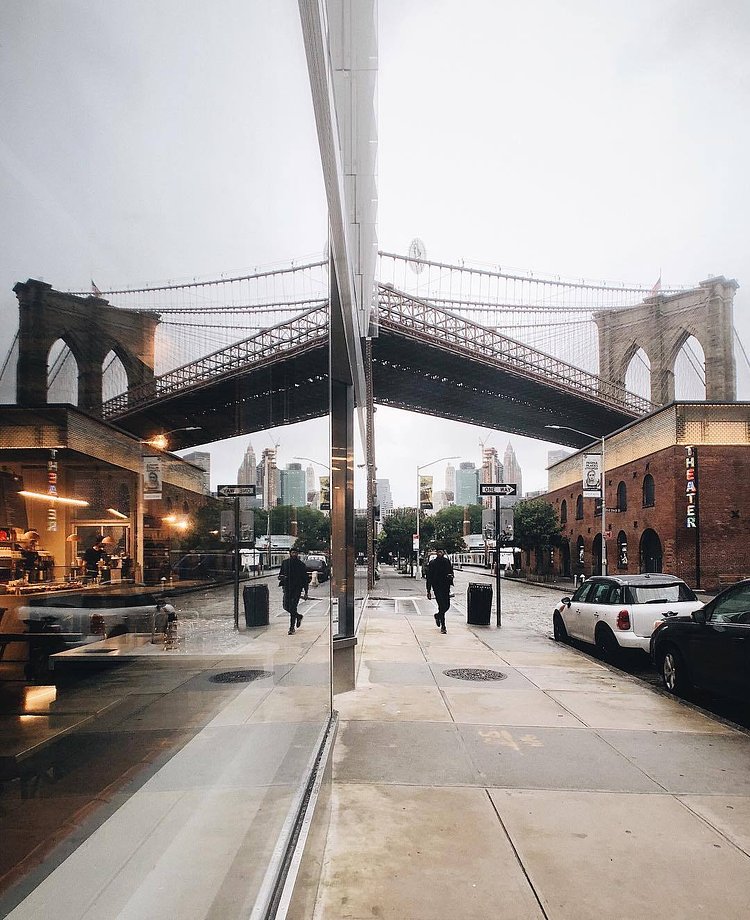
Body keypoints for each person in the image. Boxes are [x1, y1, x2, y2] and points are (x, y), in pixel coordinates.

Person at [279, 548, 309, 635]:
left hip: (297, 588)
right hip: (287, 588)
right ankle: (298, 616)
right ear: (290, 553)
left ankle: (291, 628)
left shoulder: (301, 565)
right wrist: (281, 578)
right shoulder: (285, 563)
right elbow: (281, 574)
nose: (294, 554)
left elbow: (305, 579)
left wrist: (306, 592)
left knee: (293, 607)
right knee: (285, 606)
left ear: (298, 554)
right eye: (293, 553)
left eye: (296, 553)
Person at [426, 547, 454, 634]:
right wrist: (428, 590)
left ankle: (437, 615)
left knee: (447, 606)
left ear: (443, 553)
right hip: (437, 587)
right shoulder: (432, 563)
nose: (440, 553)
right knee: (441, 605)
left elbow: (451, 572)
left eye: (441, 552)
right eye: (438, 552)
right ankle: (443, 626)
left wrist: (451, 577)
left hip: (446, 587)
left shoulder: (447, 562)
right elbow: (429, 577)